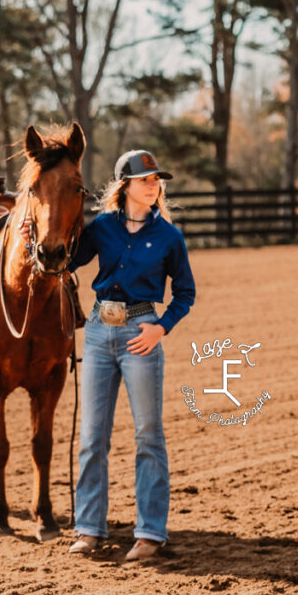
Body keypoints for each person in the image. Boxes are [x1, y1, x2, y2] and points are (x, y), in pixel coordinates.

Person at [64, 149, 196, 560]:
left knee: (148, 436)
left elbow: (185, 292)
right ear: (126, 187)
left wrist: (161, 328)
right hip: (100, 332)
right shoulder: (101, 228)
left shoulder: (170, 237)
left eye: (157, 180)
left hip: (142, 333)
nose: (154, 185)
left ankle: (150, 533)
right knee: (92, 437)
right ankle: (88, 529)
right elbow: (66, 260)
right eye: (146, 180)